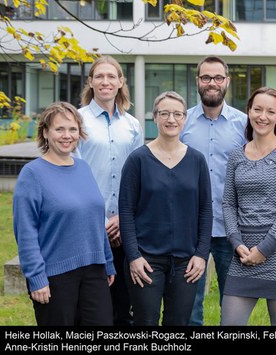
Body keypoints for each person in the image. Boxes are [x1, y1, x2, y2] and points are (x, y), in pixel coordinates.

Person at [13, 102, 115, 326]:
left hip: (94, 271)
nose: (66, 135)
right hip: (55, 276)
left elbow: (96, 219)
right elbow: (26, 233)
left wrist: (107, 262)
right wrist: (36, 278)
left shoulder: (83, 168)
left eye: (72, 129)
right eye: (59, 129)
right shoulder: (32, 175)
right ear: (46, 133)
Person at [119, 91, 212, 326]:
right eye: (165, 113)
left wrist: (201, 255)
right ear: (155, 117)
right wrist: (133, 256)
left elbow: (205, 211)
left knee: (179, 324)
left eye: (177, 114)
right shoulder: (137, 160)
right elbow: (126, 212)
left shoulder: (197, 161)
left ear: (184, 119)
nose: (171, 119)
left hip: (186, 263)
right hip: (146, 260)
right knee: (145, 322)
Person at [221, 87, 276, 326]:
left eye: (270, 111)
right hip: (243, 253)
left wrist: (264, 249)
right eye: (257, 109)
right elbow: (228, 203)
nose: (262, 116)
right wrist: (237, 243)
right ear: (248, 112)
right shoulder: (237, 155)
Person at [76, 55, 143, 326]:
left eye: (111, 76)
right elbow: (75, 173)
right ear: (90, 82)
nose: (105, 81)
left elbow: (139, 177)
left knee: (123, 303)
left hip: (126, 225)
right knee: (92, 304)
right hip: (89, 225)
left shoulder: (133, 125)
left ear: (120, 82)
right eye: (99, 76)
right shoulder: (77, 121)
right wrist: (104, 221)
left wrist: (122, 219)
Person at [181, 55, 247, 325]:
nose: (212, 83)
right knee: (189, 303)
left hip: (230, 228)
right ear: (198, 81)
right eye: (206, 77)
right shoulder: (182, 122)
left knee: (232, 303)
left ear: (227, 82)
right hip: (190, 227)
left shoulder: (243, 124)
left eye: (218, 78)